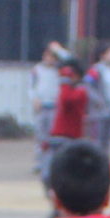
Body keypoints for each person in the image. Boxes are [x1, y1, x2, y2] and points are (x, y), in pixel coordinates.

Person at [41, 58, 88, 174]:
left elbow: (67, 101)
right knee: (48, 173)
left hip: (70, 138)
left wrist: (65, 81)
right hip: (58, 137)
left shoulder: (81, 91)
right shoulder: (65, 90)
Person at [30, 41, 66, 171]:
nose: (49, 59)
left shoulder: (59, 69)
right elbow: (32, 86)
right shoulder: (37, 69)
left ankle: (53, 161)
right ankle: (40, 162)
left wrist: (59, 50)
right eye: (47, 56)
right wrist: (34, 99)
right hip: (41, 106)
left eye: (52, 56)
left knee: (54, 136)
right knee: (41, 135)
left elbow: (69, 60)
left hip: (55, 106)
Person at [86, 41, 110, 152]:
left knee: (107, 142)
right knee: (97, 142)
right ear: (102, 55)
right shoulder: (95, 70)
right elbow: (88, 87)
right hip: (98, 112)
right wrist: (99, 101)